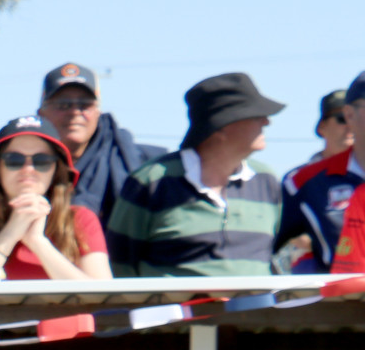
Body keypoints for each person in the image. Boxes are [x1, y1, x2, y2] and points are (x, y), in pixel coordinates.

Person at [109, 72, 285, 278]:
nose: (267, 122)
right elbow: (121, 265)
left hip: (259, 310)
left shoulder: (266, 180)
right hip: (174, 310)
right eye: (256, 116)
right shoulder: (151, 181)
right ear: (222, 126)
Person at [0, 116, 111, 282]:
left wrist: (37, 241)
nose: (28, 169)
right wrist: (11, 232)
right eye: (14, 160)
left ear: (56, 170)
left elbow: (102, 296)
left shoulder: (81, 218)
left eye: (42, 161)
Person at [37, 62, 161, 225]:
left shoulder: (141, 164)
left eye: (84, 105)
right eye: (63, 105)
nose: (74, 112)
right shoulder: (21, 163)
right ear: (42, 113)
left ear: (98, 112)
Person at [277, 82, 362, 275]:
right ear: (322, 127)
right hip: (324, 287)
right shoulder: (299, 181)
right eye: (341, 118)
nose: (350, 125)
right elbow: (277, 236)